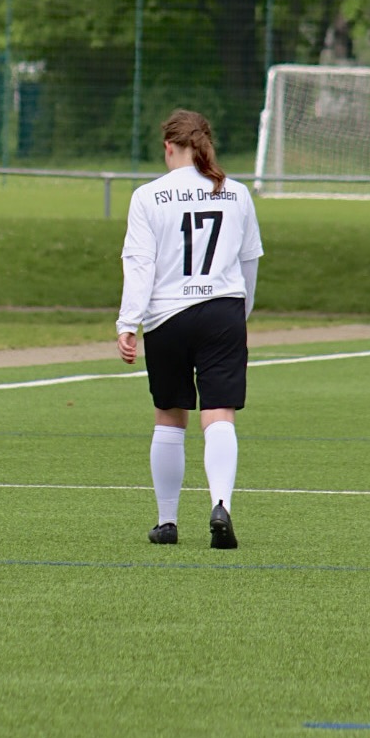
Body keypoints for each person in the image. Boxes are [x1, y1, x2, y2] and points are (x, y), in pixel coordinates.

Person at [116, 109, 263, 550]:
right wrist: (240, 313)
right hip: (223, 311)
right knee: (219, 413)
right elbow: (249, 262)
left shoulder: (148, 195)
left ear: (169, 147)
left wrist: (128, 322)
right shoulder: (236, 193)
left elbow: (139, 265)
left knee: (169, 415)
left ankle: (167, 522)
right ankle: (221, 505)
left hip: (168, 317)